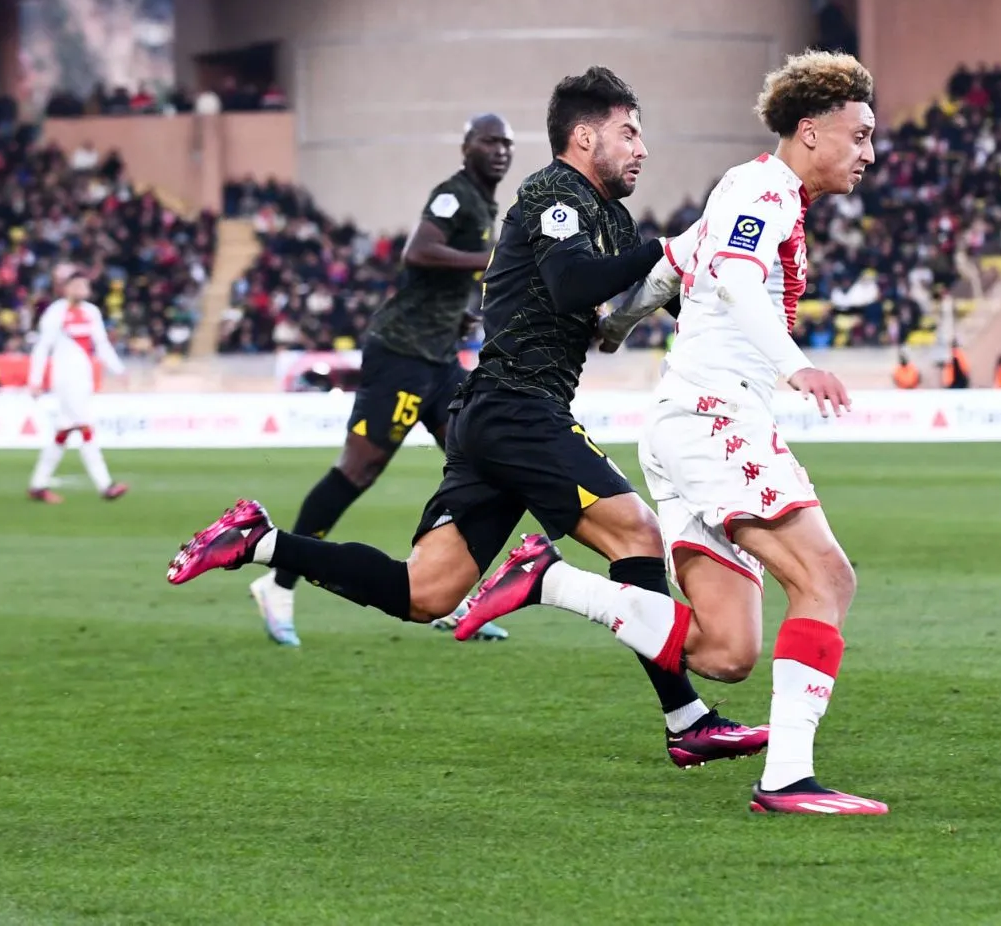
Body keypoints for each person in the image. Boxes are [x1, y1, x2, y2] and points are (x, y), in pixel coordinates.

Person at [167, 68, 767, 768]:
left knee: (427, 592)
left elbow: (632, 304)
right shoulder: (554, 193)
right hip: (519, 408)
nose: (642, 148)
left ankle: (259, 542)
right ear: (583, 136)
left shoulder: (611, 217)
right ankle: (685, 718)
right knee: (635, 531)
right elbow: (574, 282)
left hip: (493, 417)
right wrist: (668, 250)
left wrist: (720, 294)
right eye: (628, 132)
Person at [449, 50, 888, 815]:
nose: (870, 154)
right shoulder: (763, 190)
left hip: (689, 425)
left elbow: (672, 269)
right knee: (827, 580)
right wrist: (792, 366)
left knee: (725, 652)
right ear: (811, 131)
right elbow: (744, 279)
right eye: (860, 136)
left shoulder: (748, 197)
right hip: (718, 415)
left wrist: (616, 324)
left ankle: (548, 580)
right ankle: (788, 780)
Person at [248, 115, 516, 648]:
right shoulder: (453, 195)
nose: (502, 150)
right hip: (401, 356)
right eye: (490, 141)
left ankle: (440, 588)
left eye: (508, 142)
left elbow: (436, 278)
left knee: (476, 461)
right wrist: (486, 260)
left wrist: (459, 315)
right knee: (359, 471)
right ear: (467, 147)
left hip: (438, 359)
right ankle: (278, 584)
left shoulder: (484, 204)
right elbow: (417, 251)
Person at [27, 274, 128, 503]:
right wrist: (35, 379)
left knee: (63, 430)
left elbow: (101, 344)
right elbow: (43, 347)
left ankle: (37, 485)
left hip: (83, 378)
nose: (81, 288)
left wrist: (118, 369)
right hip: (64, 379)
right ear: (66, 289)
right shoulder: (56, 312)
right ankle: (106, 485)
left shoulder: (92, 312)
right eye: (76, 285)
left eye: (84, 284)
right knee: (86, 427)